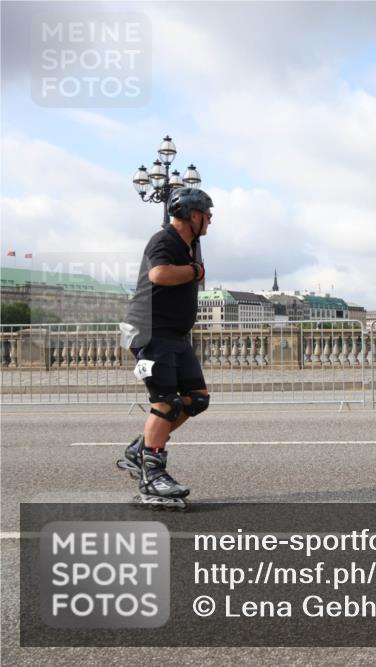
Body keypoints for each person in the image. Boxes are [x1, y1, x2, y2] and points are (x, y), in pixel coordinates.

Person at [118, 187, 213, 509]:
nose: (211, 220)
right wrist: (195, 271)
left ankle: (140, 450)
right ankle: (152, 474)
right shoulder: (165, 240)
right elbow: (158, 274)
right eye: (207, 214)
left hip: (175, 334)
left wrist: (194, 270)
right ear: (192, 215)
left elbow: (193, 279)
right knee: (167, 402)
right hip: (151, 332)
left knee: (196, 399)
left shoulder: (193, 243)